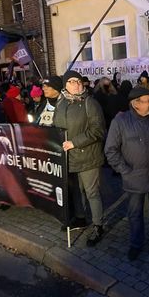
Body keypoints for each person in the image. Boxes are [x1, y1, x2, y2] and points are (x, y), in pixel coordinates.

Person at [105, 86, 149, 261]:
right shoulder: (120, 122)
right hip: (134, 179)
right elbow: (110, 150)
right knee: (135, 214)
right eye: (147, 101)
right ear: (135, 104)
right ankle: (136, 244)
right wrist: (124, 170)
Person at [53, 70, 106, 246]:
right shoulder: (61, 103)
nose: (76, 84)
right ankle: (81, 218)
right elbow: (56, 126)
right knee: (76, 191)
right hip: (69, 157)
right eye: (72, 81)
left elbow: (98, 130)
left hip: (88, 155)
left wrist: (74, 142)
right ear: (65, 85)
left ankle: (98, 225)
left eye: (79, 81)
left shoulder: (90, 103)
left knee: (92, 192)